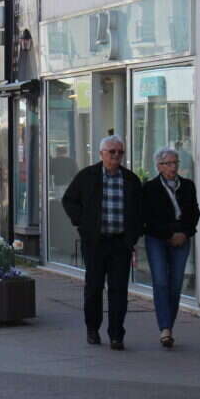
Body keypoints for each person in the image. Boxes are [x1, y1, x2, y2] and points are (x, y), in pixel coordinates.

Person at [62, 135, 143, 350]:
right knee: (94, 287)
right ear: (101, 154)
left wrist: (133, 236)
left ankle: (116, 334)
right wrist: (83, 223)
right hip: (95, 242)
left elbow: (140, 210)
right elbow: (69, 200)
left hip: (120, 243)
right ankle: (92, 328)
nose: (116, 156)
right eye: (112, 152)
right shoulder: (88, 176)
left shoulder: (130, 180)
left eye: (120, 152)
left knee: (119, 289)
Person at [143, 147, 200, 349]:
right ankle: (165, 329)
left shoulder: (188, 186)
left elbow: (194, 213)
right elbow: (147, 219)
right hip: (157, 238)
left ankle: (168, 326)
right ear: (159, 166)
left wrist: (185, 233)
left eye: (175, 163)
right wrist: (169, 235)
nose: (173, 167)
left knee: (175, 284)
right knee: (160, 281)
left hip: (182, 237)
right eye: (168, 164)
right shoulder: (150, 188)